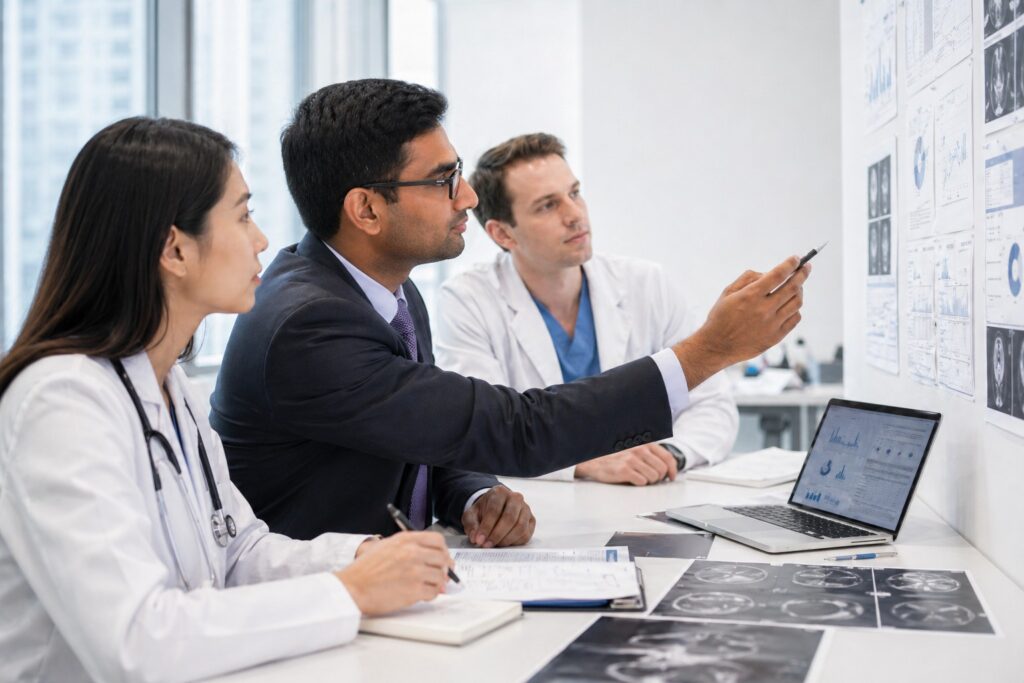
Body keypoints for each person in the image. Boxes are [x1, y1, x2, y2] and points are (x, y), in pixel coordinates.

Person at [211, 79, 810, 547]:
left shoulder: (387, 292)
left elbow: (419, 440)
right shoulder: (308, 325)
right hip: (320, 602)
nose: (466, 198)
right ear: (367, 209)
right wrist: (709, 350)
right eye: (445, 181)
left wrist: (471, 494)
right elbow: (514, 427)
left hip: (410, 563)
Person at [0, 118, 455, 683]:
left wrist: (359, 557)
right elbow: (137, 641)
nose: (261, 239)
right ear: (174, 248)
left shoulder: (170, 388)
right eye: (243, 215)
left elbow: (238, 554)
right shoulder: (61, 402)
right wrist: (347, 592)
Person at [434, 133, 738, 485]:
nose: (575, 215)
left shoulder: (646, 284)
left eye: (574, 193)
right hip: (545, 511)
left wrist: (669, 455)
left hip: (649, 496)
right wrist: (584, 463)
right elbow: (485, 432)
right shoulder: (468, 299)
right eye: (548, 205)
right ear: (503, 234)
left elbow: (712, 404)